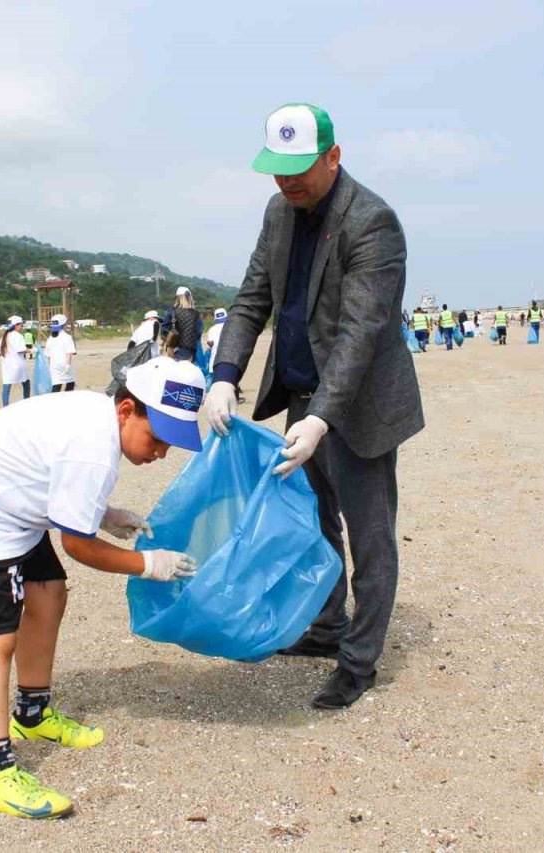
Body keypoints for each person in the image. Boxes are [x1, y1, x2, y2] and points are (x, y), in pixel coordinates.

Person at [205, 102, 423, 710]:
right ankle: (326, 628)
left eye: (300, 168)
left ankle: (359, 661)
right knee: (316, 526)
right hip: (302, 395)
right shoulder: (278, 212)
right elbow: (252, 300)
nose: (288, 181)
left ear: (334, 155)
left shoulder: (373, 222)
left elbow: (361, 332)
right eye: (277, 169)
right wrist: (225, 375)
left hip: (360, 407)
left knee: (369, 535)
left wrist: (322, 417)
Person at [0, 357, 204, 819]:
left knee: (49, 591)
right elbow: (79, 546)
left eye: (171, 444)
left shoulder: (98, 420)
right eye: (156, 438)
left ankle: (32, 715)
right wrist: (148, 565)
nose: (160, 454)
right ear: (126, 409)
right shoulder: (93, 448)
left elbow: (56, 479)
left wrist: (105, 513)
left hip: (13, 506)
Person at [0, 316, 30, 405]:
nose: (21, 327)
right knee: (26, 383)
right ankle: (26, 401)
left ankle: (5, 406)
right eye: (21, 325)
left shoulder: (4, 336)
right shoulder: (18, 336)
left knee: (7, 385)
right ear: (16, 325)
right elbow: (21, 350)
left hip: (7, 365)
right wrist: (30, 350)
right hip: (18, 364)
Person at [165, 286, 202, 361]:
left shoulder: (171, 312)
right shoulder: (195, 314)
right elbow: (198, 333)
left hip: (172, 349)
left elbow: (164, 331)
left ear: (177, 298)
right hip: (189, 350)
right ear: (189, 297)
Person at [44, 314, 77, 392]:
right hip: (65, 364)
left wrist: (50, 366)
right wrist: (68, 365)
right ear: (64, 325)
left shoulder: (50, 338)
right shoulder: (67, 337)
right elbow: (69, 353)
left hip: (54, 365)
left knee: (56, 385)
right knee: (70, 383)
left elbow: (48, 355)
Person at [204, 307, 227, 373]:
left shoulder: (211, 329)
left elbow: (210, 344)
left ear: (215, 318)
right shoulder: (230, 327)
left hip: (215, 362)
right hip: (228, 362)